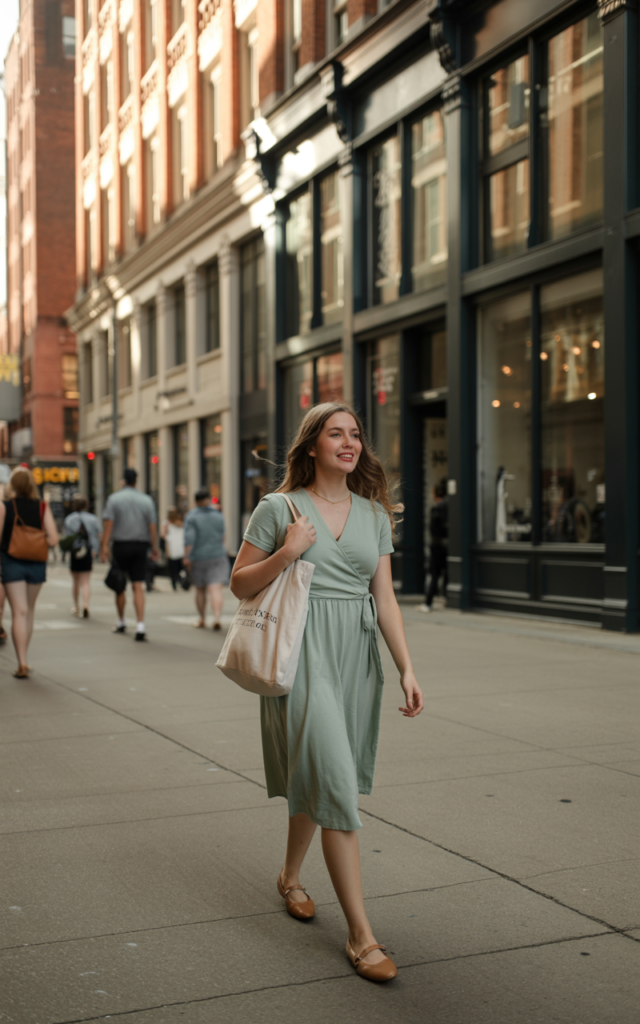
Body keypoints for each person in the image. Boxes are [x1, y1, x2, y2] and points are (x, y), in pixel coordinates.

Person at [231, 402, 423, 983]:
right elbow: (240, 582)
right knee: (334, 779)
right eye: (335, 433)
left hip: (356, 656)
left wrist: (407, 667)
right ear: (311, 445)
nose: (349, 442)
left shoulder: (373, 514)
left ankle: (290, 876)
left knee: (319, 776)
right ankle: (362, 937)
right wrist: (288, 550)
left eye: (356, 434)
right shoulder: (279, 508)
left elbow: (383, 597)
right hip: (303, 651)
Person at [0, 467, 59, 677]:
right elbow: (53, 539)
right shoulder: (42, 507)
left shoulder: (5, 507)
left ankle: (21, 662)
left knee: (19, 612)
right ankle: (26, 660)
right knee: (30, 611)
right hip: (36, 563)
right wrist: (35, 538)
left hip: (11, 561)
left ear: (12, 485)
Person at [100, 467, 159, 641]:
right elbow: (152, 526)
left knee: (120, 585)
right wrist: (154, 546)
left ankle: (121, 621)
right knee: (138, 585)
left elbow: (109, 525)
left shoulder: (114, 499)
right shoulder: (146, 500)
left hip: (120, 546)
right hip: (140, 546)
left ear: (124, 480)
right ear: (136, 480)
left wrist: (104, 546)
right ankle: (140, 625)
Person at [184, 489, 229, 630]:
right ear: (208, 499)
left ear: (196, 501)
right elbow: (223, 537)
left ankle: (202, 619)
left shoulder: (191, 516)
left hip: (198, 557)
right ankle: (217, 617)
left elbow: (189, 540)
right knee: (215, 588)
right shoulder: (218, 515)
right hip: (217, 554)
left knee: (199, 589)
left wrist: (186, 557)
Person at [63, 495, 101, 618]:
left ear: (74, 505)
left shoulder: (69, 519)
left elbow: (67, 537)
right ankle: (86, 605)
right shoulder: (93, 519)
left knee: (75, 581)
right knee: (85, 581)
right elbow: (98, 535)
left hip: (75, 553)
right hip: (88, 551)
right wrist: (96, 550)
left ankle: (76, 606)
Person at [419, 479, 448, 613]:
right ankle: (446, 598)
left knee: (435, 573)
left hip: (437, 546)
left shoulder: (436, 508)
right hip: (447, 545)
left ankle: (428, 602)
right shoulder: (449, 507)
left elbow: (433, 529)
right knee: (446, 572)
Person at [161, 507, 185, 591]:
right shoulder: (180, 523)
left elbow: (163, 536)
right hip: (180, 548)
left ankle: (175, 582)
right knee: (180, 567)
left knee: (173, 568)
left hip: (172, 548)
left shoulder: (167, 524)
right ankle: (180, 581)